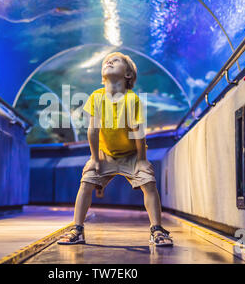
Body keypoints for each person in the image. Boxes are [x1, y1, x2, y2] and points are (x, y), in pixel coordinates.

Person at [57, 52, 173, 246]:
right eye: (106, 61)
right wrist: (95, 158)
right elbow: (92, 130)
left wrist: (142, 160)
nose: (109, 61)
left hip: (132, 155)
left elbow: (138, 132)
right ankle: (77, 228)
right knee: (86, 181)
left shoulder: (132, 99)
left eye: (115, 60)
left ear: (128, 75)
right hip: (105, 155)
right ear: (103, 75)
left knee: (149, 184)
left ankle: (157, 229)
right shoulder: (96, 96)